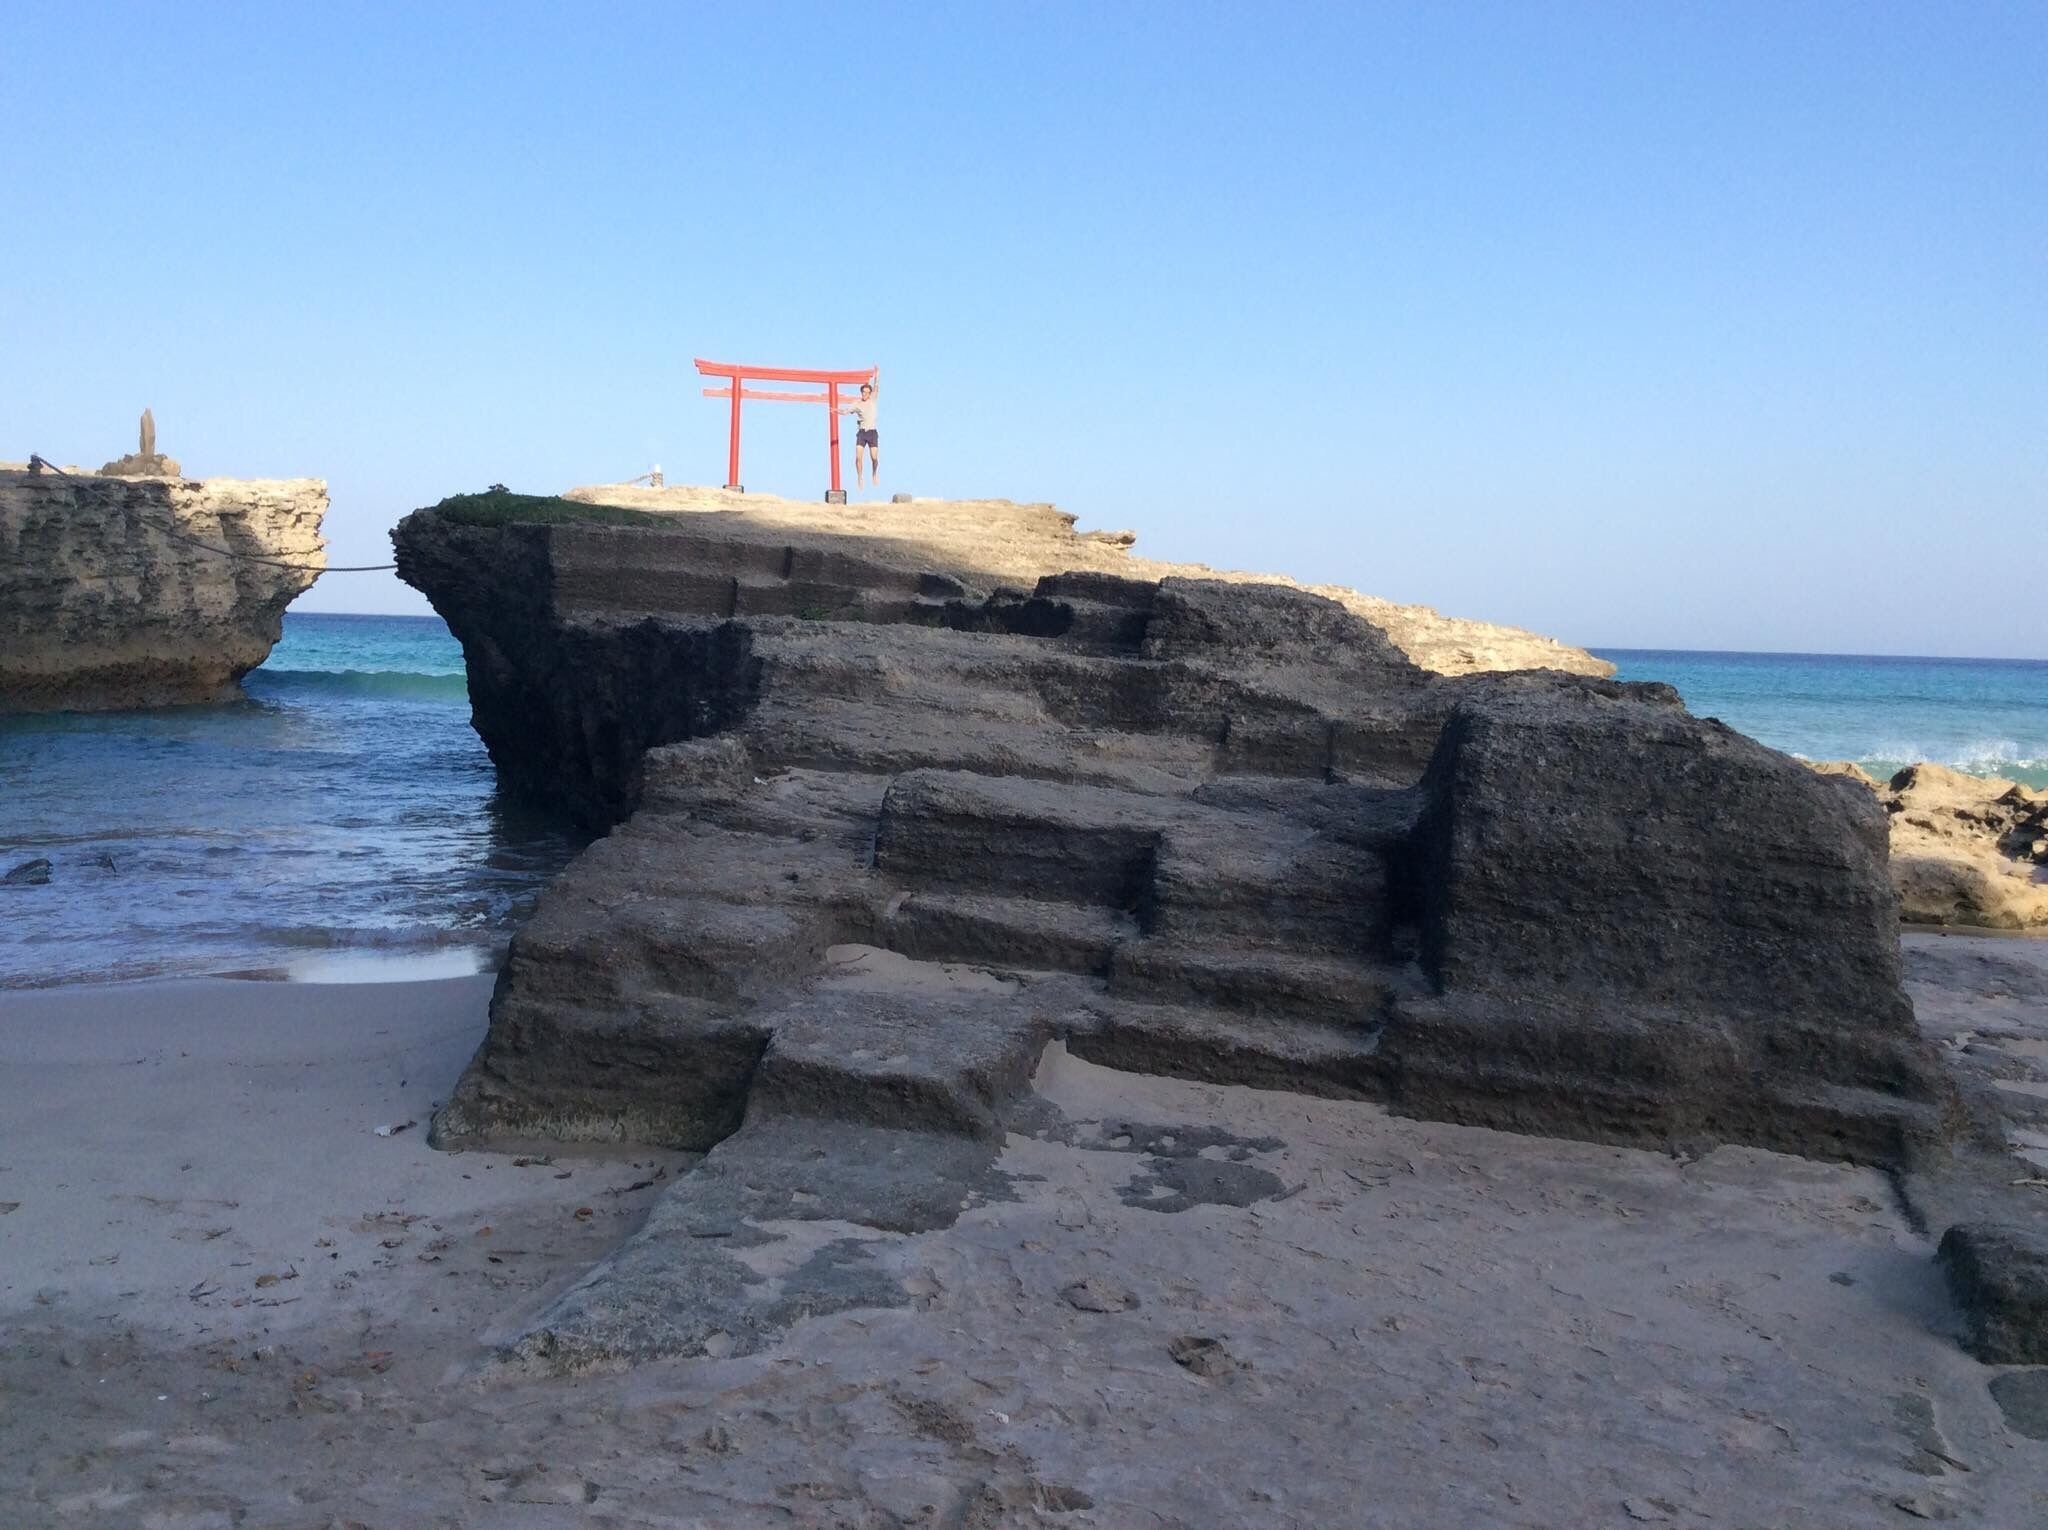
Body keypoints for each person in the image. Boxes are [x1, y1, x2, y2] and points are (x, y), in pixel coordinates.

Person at [843, 371, 880, 489]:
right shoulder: (857, 404)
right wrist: (840, 411)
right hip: (862, 433)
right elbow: (847, 411)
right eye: (863, 392)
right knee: (858, 458)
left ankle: (874, 473)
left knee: (874, 458)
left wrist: (877, 375)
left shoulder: (873, 400)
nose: (865, 394)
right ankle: (859, 477)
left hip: (872, 432)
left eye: (867, 392)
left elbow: (877, 386)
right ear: (861, 392)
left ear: (870, 394)